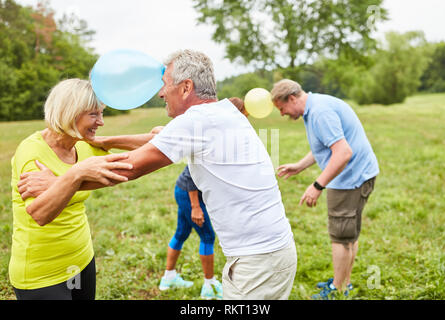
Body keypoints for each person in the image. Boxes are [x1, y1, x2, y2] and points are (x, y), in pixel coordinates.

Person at [18, 51, 297, 300]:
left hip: (258, 259)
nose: (161, 93)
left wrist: (63, 180)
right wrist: (105, 141)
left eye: (166, 85)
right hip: (268, 251)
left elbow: (131, 167)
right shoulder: (221, 112)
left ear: (186, 87)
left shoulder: (195, 122)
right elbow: (158, 137)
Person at [9, 78, 134, 300]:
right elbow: (40, 214)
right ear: (70, 112)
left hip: (81, 260)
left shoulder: (83, 146)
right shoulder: (32, 151)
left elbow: (143, 155)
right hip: (42, 276)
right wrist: (77, 173)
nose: (101, 122)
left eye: (101, 114)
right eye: (94, 114)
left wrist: (107, 141)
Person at [271, 79, 379, 300]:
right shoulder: (316, 106)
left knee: (340, 237)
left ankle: (337, 290)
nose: (282, 114)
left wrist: (317, 185)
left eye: (281, 108)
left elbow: (343, 153)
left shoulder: (320, 113)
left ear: (291, 98)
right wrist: (300, 165)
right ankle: (343, 283)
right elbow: (327, 145)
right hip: (359, 175)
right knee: (348, 235)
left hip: (350, 180)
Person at [159, 97, 247, 300]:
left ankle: (168, 277)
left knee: (181, 232)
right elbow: (191, 175)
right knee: (207, 237)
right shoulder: (217, 134)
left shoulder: (226, 135)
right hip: (188, 193)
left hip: (182, 190)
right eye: (243, 116)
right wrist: (195, 207)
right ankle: (209, 287)